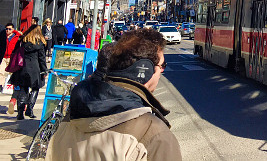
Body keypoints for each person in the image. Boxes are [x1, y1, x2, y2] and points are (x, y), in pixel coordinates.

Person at [47, 29, 182, 160]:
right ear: (144, 70)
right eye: (162, 65)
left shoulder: (71, 116)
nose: (163, 71)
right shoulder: (153, 134)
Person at [8, 25, 47, 120]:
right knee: (35, 87)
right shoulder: (40, 43)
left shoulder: (22, 40)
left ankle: (20, 113)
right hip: (34, 68)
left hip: (22, 67)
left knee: (23, 89)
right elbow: (41, 58)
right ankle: (29, 107)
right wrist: (44, 70)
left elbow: (15, 52)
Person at [0, 23, 22, 94]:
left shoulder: (16, 36)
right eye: (6, 29)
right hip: (3, 57)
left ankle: (11, 87)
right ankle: (1, 86)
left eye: (10, 29)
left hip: (11, 57)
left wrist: (15, 31)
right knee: (1, 72)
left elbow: (21, 35)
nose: (7, 30)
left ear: (13, 29)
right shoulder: (3, 36)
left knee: (11, 73)